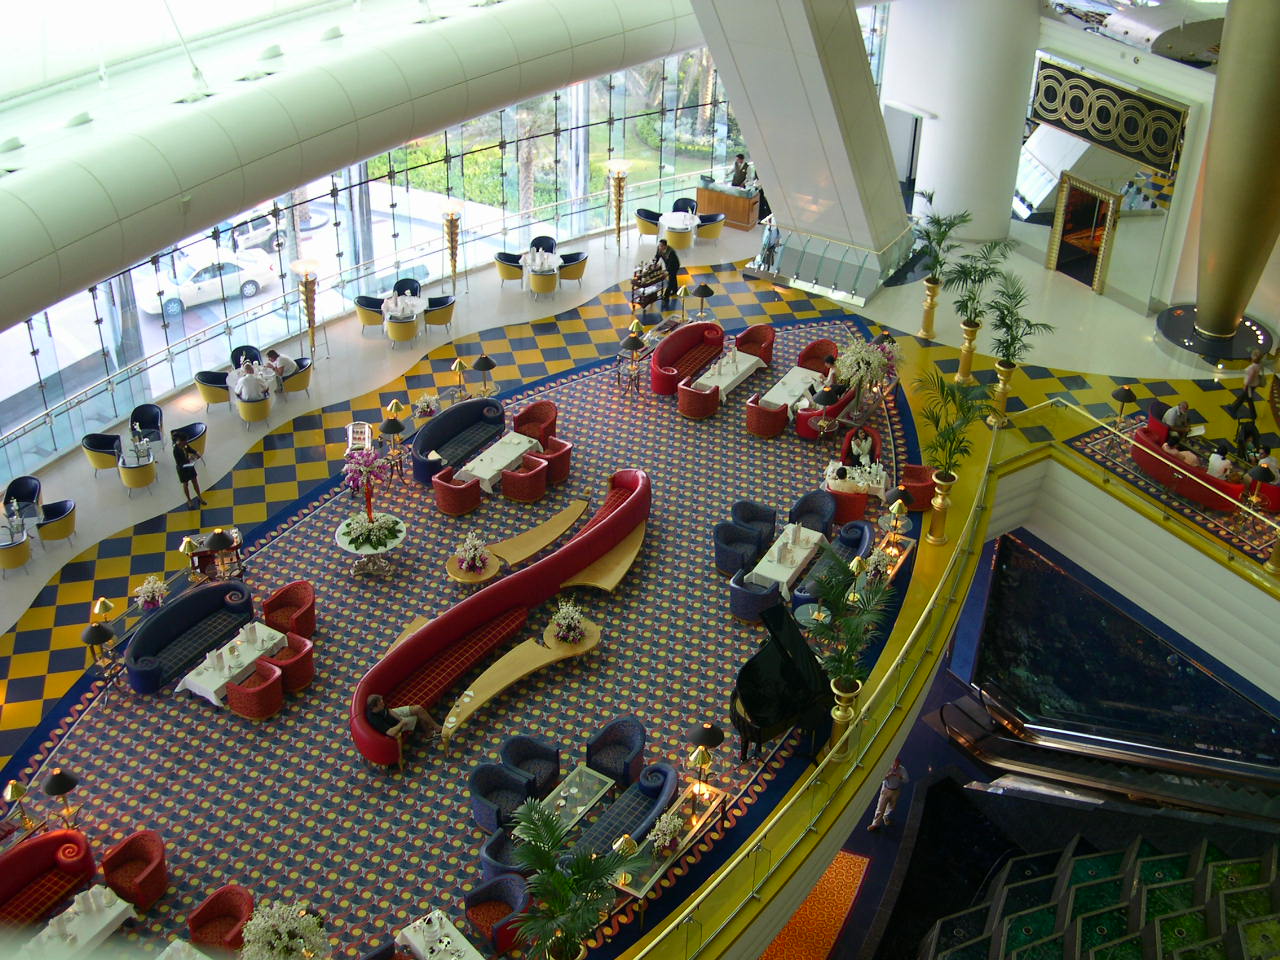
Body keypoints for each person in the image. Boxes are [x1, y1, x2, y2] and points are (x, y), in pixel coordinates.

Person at [364, 693, 441, 742]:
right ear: (375, 708)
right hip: (394, 727)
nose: (383, 703)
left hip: (393, 716)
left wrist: (400, 718)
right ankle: (429, 734)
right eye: (381, 703)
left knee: (418, 709)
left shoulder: (380, 705)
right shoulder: (374, 719)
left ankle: (436, 727)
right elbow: (390, 732)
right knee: (418, 715)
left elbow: (388, 710)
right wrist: (402, 723)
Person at [868, 757, 908, 831]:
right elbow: (880, 778)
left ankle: (885, 816)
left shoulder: (902, 769)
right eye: (894, 765)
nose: (895, 767)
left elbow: (906, 780)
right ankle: (875, 824)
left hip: (895, 791)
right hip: (886, 789)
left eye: (897, 765)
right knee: (880, 807)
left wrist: (900, 777)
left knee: (891, 807)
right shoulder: (887, 767)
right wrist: (888, 775)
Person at [1226, 349, 1264, 420]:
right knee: (1242, 397)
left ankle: (1253, 414)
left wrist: (1246, 385)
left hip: (1249, 386)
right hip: (1254, 384)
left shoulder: (1252, 367)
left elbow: (1250, 378)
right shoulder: (1259, 365)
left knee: (1247, 399)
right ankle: (1233, 407)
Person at [173, 434, 206, 508]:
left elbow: (190, 449)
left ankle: (199, 496)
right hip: (182, 469)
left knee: (195, 481)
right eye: (185, 442)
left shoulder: (185, 445)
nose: (186, 443)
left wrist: (196, 452)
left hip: (189, 466)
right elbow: (179, 462)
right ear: (180, 442)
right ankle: (189, 500)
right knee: (186, 484)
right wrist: (190, 459)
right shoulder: (176, 450)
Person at [655, 239, 681, 309]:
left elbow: (671, 264)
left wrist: (667, 271)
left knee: (671, 279)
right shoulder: (659, 248)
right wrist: (655, 263)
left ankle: (666, 295)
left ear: (665, 246)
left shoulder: (671, 252)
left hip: (674, 266)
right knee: (673, 277)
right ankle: (675, 290)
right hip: (668, 264)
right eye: (659, 245)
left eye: (661, 246)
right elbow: (657, 256)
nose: (659, 247)